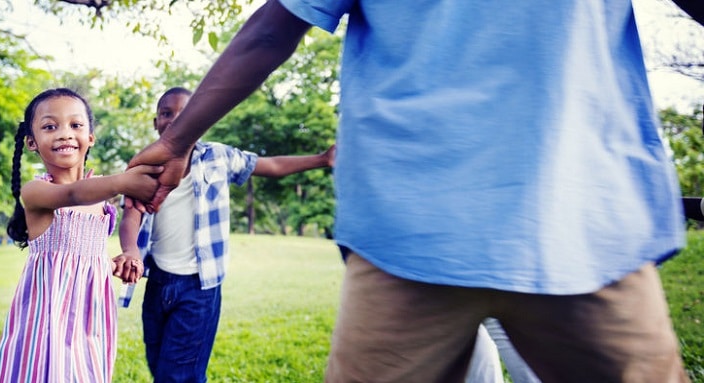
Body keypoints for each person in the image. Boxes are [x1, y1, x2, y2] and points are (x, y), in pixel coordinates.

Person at [127, 1, 704, 382]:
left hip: (580, 229)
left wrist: (185, 140)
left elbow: (270, 140)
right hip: (412, 241)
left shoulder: (223, 160)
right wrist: (177, 143)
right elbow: (275, 26)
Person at [114, 86, 336, 383]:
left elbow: (270, 165)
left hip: (199, 287)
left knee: (179, 376)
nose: (175, 120)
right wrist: (130, 250)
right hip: (157, 283)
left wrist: (321, 159)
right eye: (166, 113)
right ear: (155, 122)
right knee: (159, 365)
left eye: (186, 113)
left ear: (201, 119)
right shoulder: (143, 165)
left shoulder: (219, 157)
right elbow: (131, 214)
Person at [0, 88, 160, 383]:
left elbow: (88, 258)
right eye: (50, 126)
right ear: (32, 142)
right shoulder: (36, 191)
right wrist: (124, 181)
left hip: (89, 317)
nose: (64, 134)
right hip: (47, 320)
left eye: (76, 125)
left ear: (90, 137)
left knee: (84, 371)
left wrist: (123, 258)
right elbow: (72, 193)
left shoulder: (102, 203)